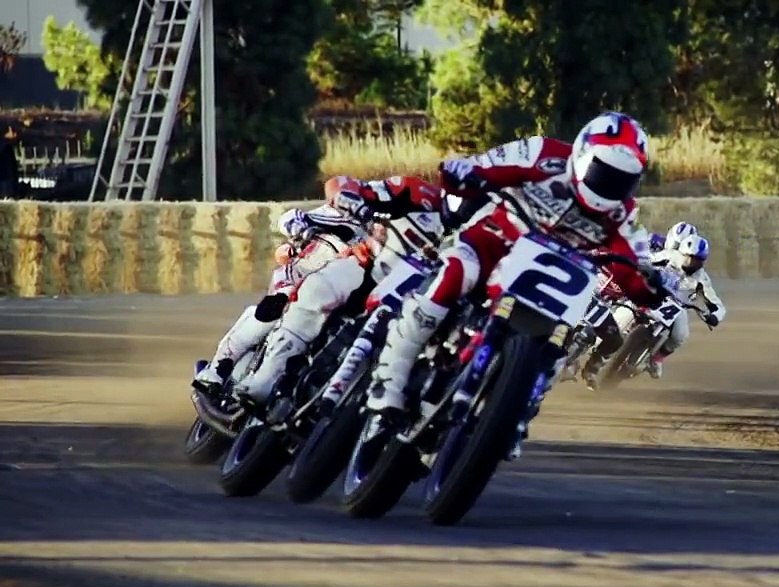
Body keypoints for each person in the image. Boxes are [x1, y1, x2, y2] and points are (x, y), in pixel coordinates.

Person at [364, 111, 676, 418]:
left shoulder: (623, 214)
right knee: (454, 273)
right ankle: (388, 379)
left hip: (553, 284)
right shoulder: (542, 153)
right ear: (583, 153)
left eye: (622, 180)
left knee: (556, 349)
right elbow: (484, 167)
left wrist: (649, 285)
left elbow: (634, 265)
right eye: (603, 172)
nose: (610, 185)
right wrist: (465, 172)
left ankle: (516, 418)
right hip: (496, 242)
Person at [232, 174, 453, 404]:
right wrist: (350, 198)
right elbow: (342, 185)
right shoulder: (416, 191)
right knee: (318, 289)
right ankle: (267, 377)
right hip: (367, 270)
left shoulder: (485, 232)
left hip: (413, 304)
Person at [192, 202, 366, 394]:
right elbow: (292, 217)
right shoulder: (347, 212)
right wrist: (299, 231)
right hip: (302, 274)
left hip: (340, 297)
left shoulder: (393, 239)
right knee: (278, 303)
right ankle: (218, 368)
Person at [582, 221, 725, 384]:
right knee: (621, 312)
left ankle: (657, 359)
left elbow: (716, 303)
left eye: (697, 261)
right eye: (688, 257)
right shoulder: (667, 254)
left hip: (676, 305)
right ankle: (599, 343)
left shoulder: (702, 279)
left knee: (681, 334)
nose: (691, 263)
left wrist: (714, 316)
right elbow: (644, 259)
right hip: (651, 294)